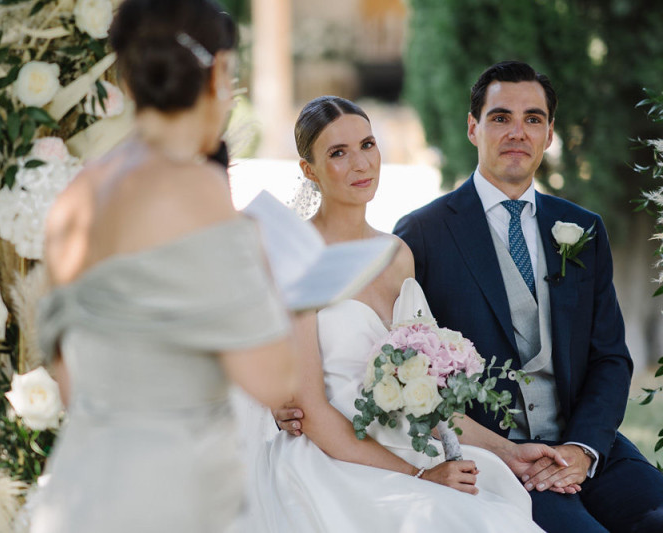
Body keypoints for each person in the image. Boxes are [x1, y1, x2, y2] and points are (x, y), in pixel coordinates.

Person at [29, 1, 296, 531]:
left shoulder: (77, 195)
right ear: (220, 71)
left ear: (127, 78)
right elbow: (273, 379)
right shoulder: (195, 189)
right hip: (168, 496)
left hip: (80, 489)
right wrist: (264, 264)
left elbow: (69, 384)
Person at [256, 95, 552, 532]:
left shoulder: (397, 254)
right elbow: (313, 412)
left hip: (408, 444)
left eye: (368, 144)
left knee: (498, 499)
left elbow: (427, 394)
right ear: (308, 170)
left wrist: (509, 453)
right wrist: (419, 477)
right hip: (333, 458)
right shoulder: (297, 261)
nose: (361, 164)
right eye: (338, 153)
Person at [391, 61, 663, 532]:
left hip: (587, 450)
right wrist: (502, 452)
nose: (518, 132)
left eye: (532, 119)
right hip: (496, 462)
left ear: (550, 133)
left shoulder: (584, 229)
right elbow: (399, 364)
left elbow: (610, 359)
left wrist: (582, 449)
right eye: (501, 118)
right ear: (473, 127)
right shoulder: (422, 234)